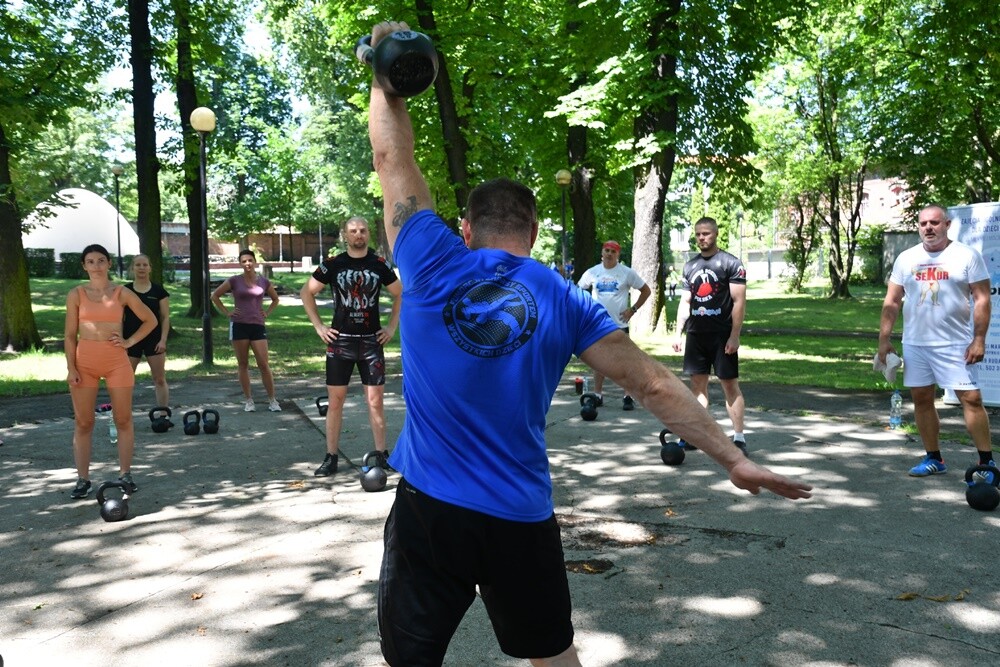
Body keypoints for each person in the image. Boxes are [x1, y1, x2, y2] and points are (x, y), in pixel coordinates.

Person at [366, 19, 811, 667]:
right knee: (552, 655)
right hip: (517, 514)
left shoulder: (432, 258)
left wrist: (388, 80)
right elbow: (653, 383)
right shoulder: (562, 296)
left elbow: (392, 162)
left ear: (465, 227)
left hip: (429, 508)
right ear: (535, 231)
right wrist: (731, 458)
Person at [878, 204, 996, 478]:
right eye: (923, 224)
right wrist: (884, 339)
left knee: (972, 399)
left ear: (947, 224)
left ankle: (987, 463)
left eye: (934, 222)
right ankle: (934, 458)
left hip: (956, 343)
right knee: (921, 399)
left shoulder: (966, 256)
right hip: (916, 343)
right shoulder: (906, 258)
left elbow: (982, 298)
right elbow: (892, 301)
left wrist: (979, 339)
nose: (928, 228)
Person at [300, 216, 403, 477]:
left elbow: (400, 293)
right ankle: (331, 457)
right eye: (353, 231)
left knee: (375, 401)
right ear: (345, 235)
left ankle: (382, 455)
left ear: (368, 234)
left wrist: (391, 327)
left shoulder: (379, 265)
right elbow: (307, 292)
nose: (359, 235)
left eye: (363, 230)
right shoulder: (333, 264)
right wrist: (319, 327)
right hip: (340, 343)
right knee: (335, 402)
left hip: (371, 344)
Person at [64, 244, 158, 499]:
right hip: (85, 364)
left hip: (117, 362)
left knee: (123, 419)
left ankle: (125, 474)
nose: (96, 265)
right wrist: (71, 367)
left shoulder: (120, 293)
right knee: (84, 422)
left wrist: (128, 342)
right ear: (84, 265)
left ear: (108, 264)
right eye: (91, 261)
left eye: (101, 260)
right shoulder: (76, 294)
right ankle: (83, 479)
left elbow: (151, 320)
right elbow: (70, 336)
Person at [672, 217, 750, 455]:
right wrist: (678, 332)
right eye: (697, 234)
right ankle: (697, 436)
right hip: (697, 335)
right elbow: (686, 301)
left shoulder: (731, 263)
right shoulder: (690, 266)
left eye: (706, 233)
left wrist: (734, 336)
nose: (701, 238)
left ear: (715, 234)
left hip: (721, 335)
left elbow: (739, 302)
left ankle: (738, 438)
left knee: (729, 385)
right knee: (697, 386)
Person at [577, 241, 651, 410]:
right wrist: (586, 311)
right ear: (602, 252)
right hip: (598, 324)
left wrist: (632, 309)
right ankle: (598, 394)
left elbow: (646, 290)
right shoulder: (592, 272)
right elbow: (578, 291)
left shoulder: (626, 273)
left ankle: (627, 395)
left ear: (618, 255)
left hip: (619, 324)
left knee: (625, 360)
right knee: (598, 361)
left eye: (613, 251)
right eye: (607, 250)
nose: (609, 254)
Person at [210, 249, 282, 412]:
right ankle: (249, 400)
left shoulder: (263, 281)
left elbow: (275, 299)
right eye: (244, 261)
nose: (247, 264)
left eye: (250, 260)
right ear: (240, 264)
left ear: (255, 261)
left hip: (257, 325)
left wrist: (267, 312)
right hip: (239, 325)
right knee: (243, 364)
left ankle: (272, 400)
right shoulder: (234, 280)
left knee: (263, 364)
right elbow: (215, 296)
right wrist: (227, 312)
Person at [123, 254, 171, 407]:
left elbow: (165, 317)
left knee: (159, 379)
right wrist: (122, 341)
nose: (142, 268)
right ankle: (124, 416)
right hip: (130, 340)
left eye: (145, 265)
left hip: (154, 340)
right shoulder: (125, 291)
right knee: (125, 381)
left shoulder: (159, 291)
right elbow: (118, 318)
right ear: (132, 268)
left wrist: (163, 340)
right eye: (138, 265)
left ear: (150, 268)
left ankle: (163, 414)